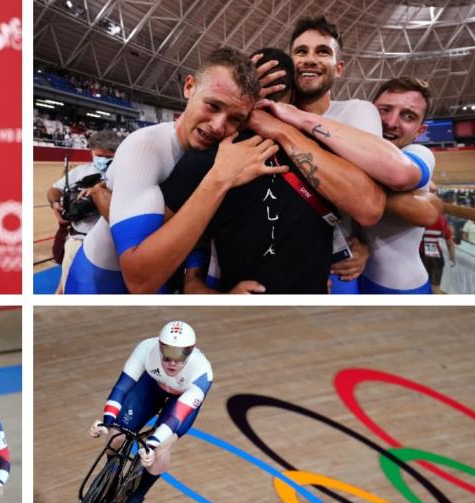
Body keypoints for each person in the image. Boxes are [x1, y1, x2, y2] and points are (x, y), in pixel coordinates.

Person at [64, 47, 289, 294]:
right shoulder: (146, 148)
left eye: (235, 118)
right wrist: (219, 180)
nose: (218, 126)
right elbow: (140, 279)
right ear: (189, 87)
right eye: (213, 105)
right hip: (101, 284)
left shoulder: (219, 153)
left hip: (162, 283)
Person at [164, 48, 384, 293]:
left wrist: (194, 283)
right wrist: (196, 286)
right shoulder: (325, 151)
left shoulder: (209, 153)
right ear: (294, 96)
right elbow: (370, 207)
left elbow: (162, 237)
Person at [255, 16, 431, 292]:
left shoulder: (358, 111)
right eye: (301, 51)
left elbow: (369, 199)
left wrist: (361, 245)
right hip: (267, 264)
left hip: (337, 269)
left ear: (338, 69)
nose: (310, 59)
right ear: (290, 63)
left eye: (322, 51)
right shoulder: (266, 111)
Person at [89, 321, 212, 503]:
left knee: (161, 447)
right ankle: (111, 476)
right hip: (152, 386)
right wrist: (108, 420)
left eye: (180, 357)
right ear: (159, 348)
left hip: (180, 400)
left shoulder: (202, 373)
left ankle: (138, 494)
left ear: (190, 353)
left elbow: (175, 418)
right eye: (168, 356)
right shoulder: (146, 349)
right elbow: (121, 388)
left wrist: (151, 444)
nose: (173, 363)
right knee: (116, 434)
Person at [360, 78, 443, 293]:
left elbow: (399, 173)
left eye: (408, 116)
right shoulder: (357, 152)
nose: (391, 122)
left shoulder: (418, 153)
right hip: (356, 277)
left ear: (420, 130)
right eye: (384, 110)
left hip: (400, 288)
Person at [47, 130, 120, 294]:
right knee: (67, 285)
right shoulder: (79, 172)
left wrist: (98, 193)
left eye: (109, 157)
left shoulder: (121, 175)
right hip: (77, 238)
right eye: (99, 155)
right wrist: (55, 204)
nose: (103, 160)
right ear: (91, 152)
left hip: (107, 245)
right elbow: (53, 190)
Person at [421, 213, 456, 292]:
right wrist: (452, 256)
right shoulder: (441, 219)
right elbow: (449, 241)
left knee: (421, 286)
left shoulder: (419, 216)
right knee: (435, 287)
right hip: (433, 253)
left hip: (421, 254)